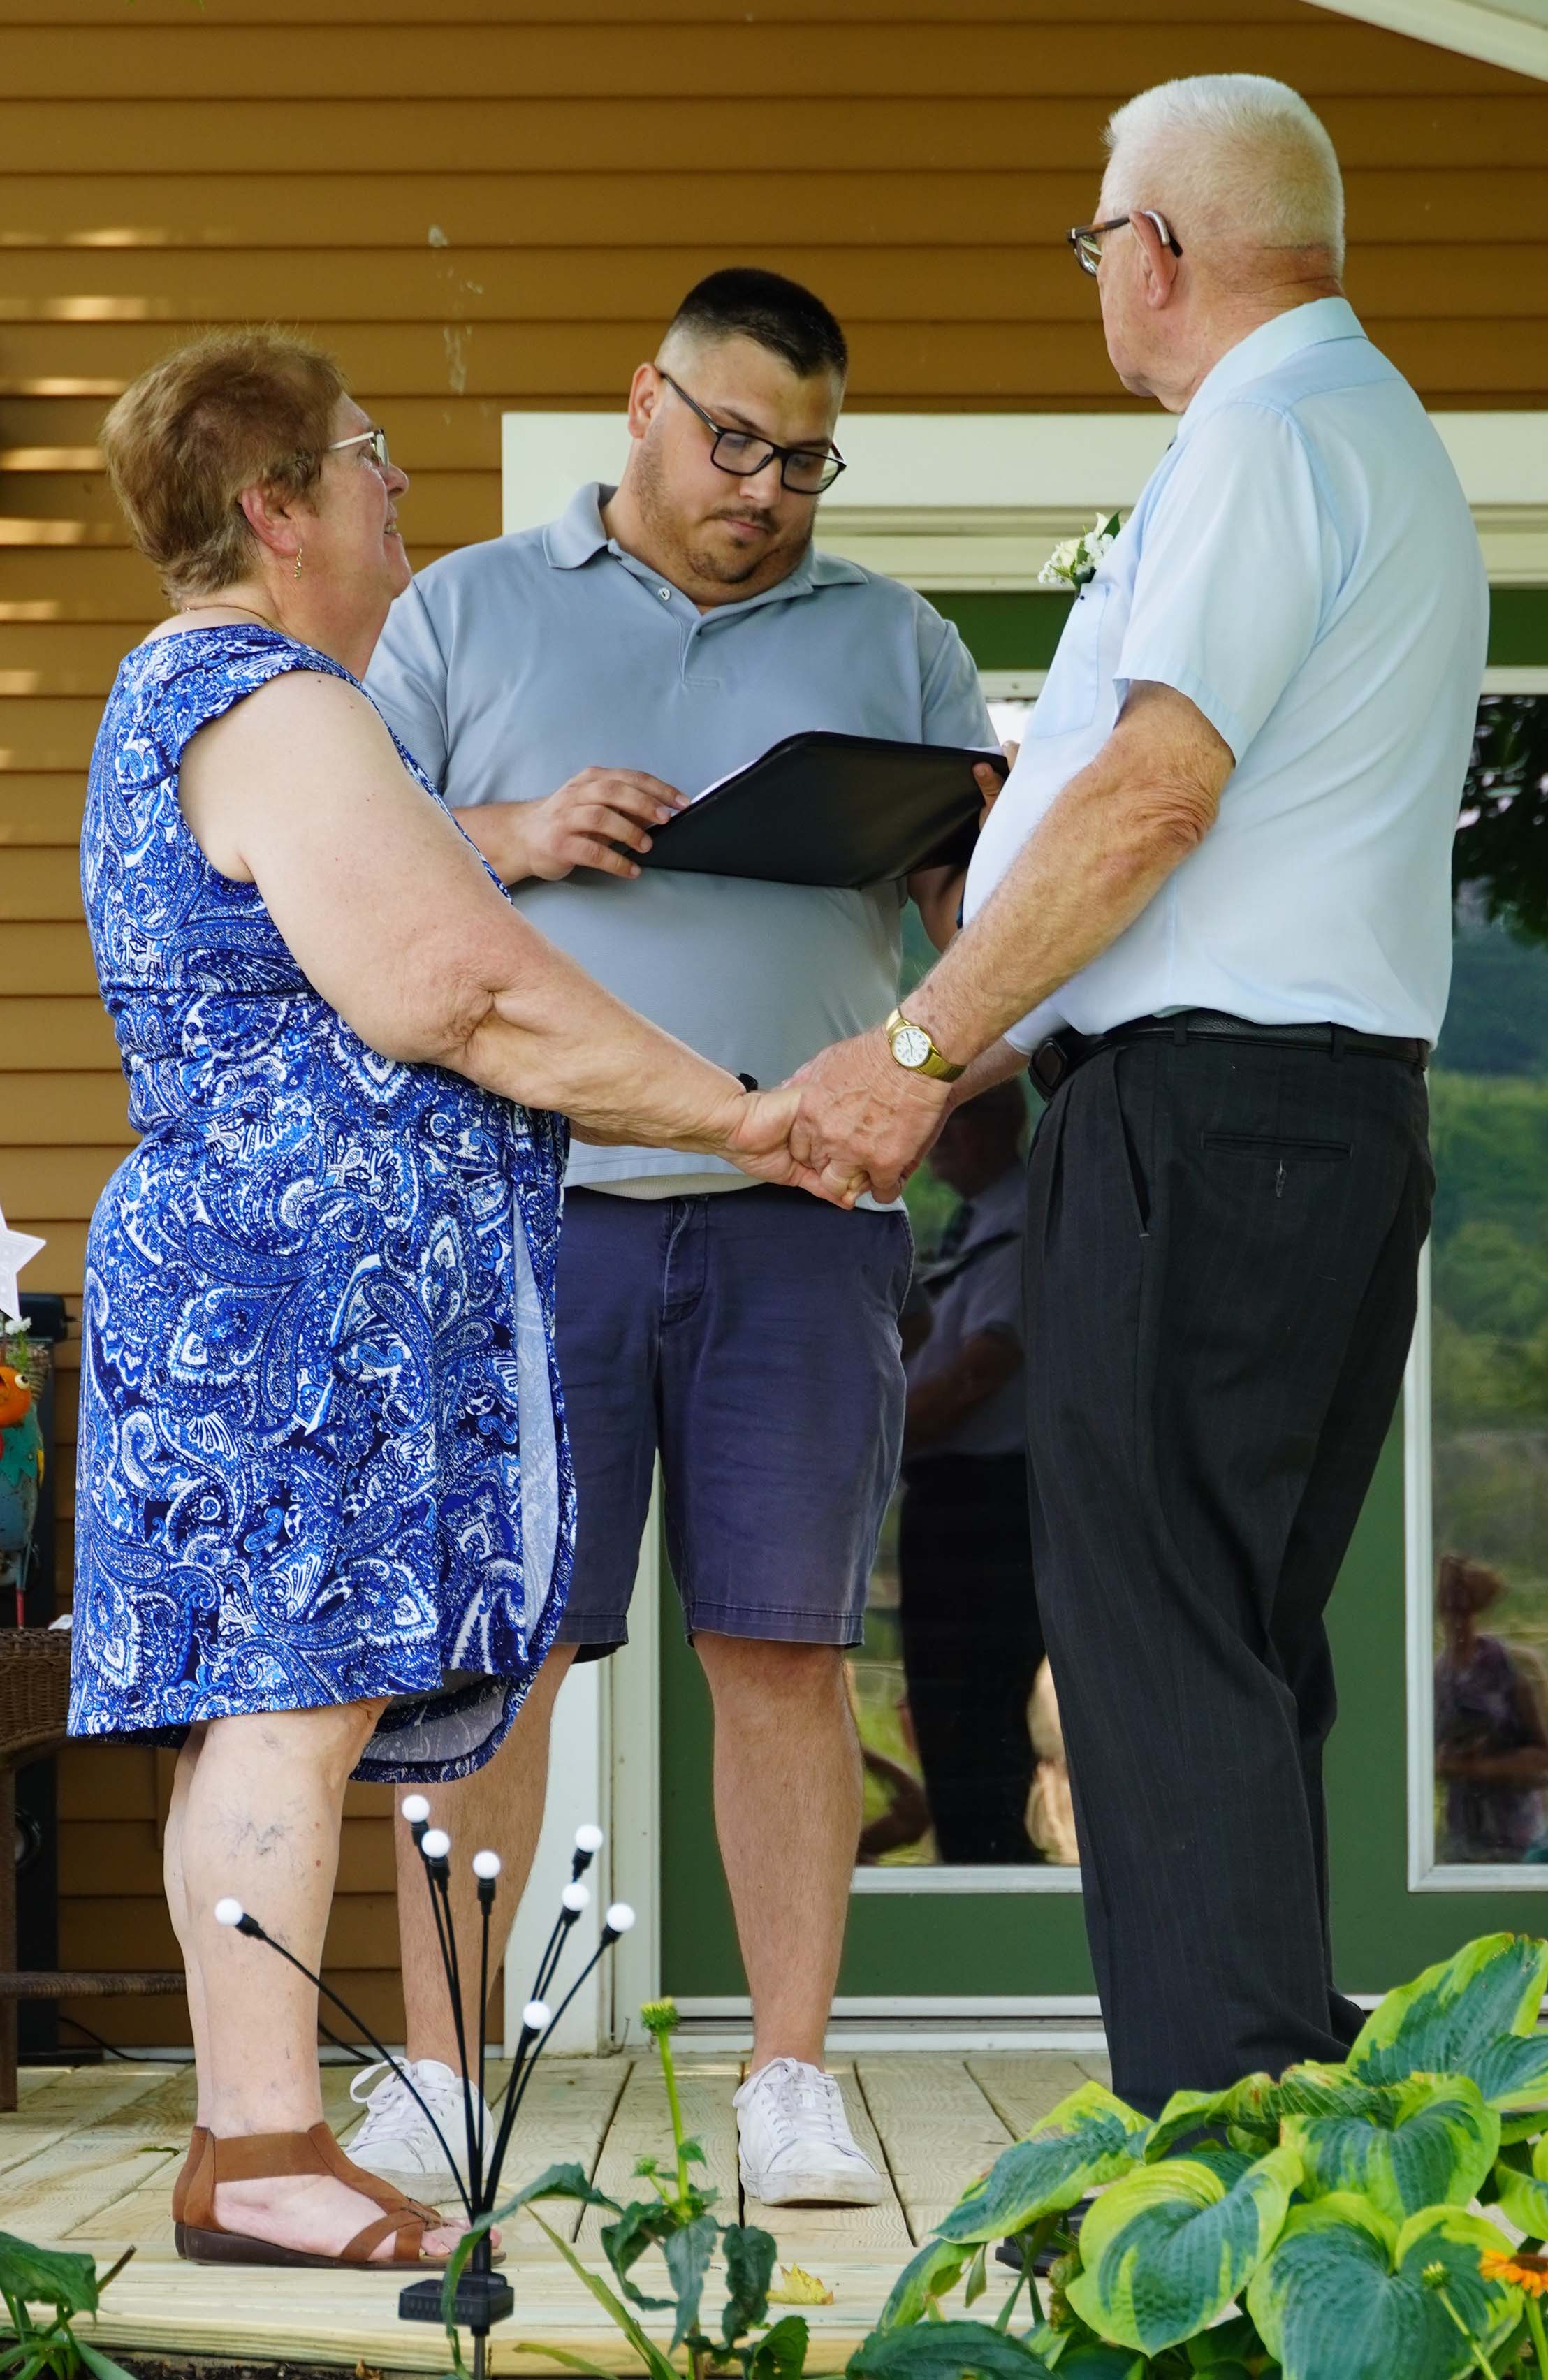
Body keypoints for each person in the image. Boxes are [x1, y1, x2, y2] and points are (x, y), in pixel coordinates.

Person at [70, 327, 828, 2271]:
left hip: (252, 1270)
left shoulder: (201, 698)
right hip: (290, 1287)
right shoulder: (274, 701)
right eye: (369, 458)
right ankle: (264, 2151)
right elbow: (462, 989)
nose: (398, 495)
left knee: (259, 1711)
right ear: (274, 504)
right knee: (291, 1709)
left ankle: (254, 2138)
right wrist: (746, 1113)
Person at [789, 74, 1488, 2110]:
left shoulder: (1262, 440)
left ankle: (1218, 2133)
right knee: (1235, 1637)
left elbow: (1151, 803)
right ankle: (1282, 2125)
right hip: (1317, 1117)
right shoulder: (1372, 443)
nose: (1100, 274)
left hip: (1200, 1119)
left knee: (1156, 1645)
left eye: (1097, 239)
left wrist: (915, 1057)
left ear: (1155, 253)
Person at [357, 266, 999, 2207]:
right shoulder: (463, 608)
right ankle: (440, 2079)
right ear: (642, 401)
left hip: (803, 1225)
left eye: (806, 457)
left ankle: (790, 2075)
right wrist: (515, 827)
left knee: (785, 1654)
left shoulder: (896, 638)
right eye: (735, 441)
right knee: (501, 1658)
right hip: (529, 1213)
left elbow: (981, 911)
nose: (769, 488)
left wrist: (951, 866)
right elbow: (340, 872)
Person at [898, 1078, 1044, 1864]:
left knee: (977, 1715)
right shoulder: (970, 1222)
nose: (939, 1140)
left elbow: (980, 1369)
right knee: (941, 1712)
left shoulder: (1020, 1223)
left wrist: (873, 1438)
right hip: (947, 1497)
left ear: (1006, 1121)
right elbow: (929, 1335)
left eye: (957, 1123)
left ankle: (987, 1883)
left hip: (988, 1504)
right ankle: (966, 1863)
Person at [1433, 1553, 1548, 1862]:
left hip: (1521, 1843)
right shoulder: (1436, 1676)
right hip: (1462, 1844)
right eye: (1450, 1608)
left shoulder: (1513, 1667)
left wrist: (1474, 1768)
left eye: (1464, 1607)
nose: (1458, 1619)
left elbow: (1543, 1761)